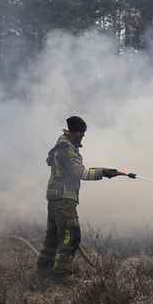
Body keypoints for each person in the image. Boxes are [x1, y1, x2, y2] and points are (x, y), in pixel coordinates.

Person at [37, 116, 135, 277]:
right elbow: (80, 173)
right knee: (71, 237)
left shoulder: (62, 143)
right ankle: (60, 275)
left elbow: (73, 169)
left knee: (53, 238)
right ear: (74, 131)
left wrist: (106, 170)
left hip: (55, 197)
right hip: (64, 200)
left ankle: (42, 271)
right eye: (81, 131)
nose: (83, 134)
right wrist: (103, 173)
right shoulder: (67, 149)